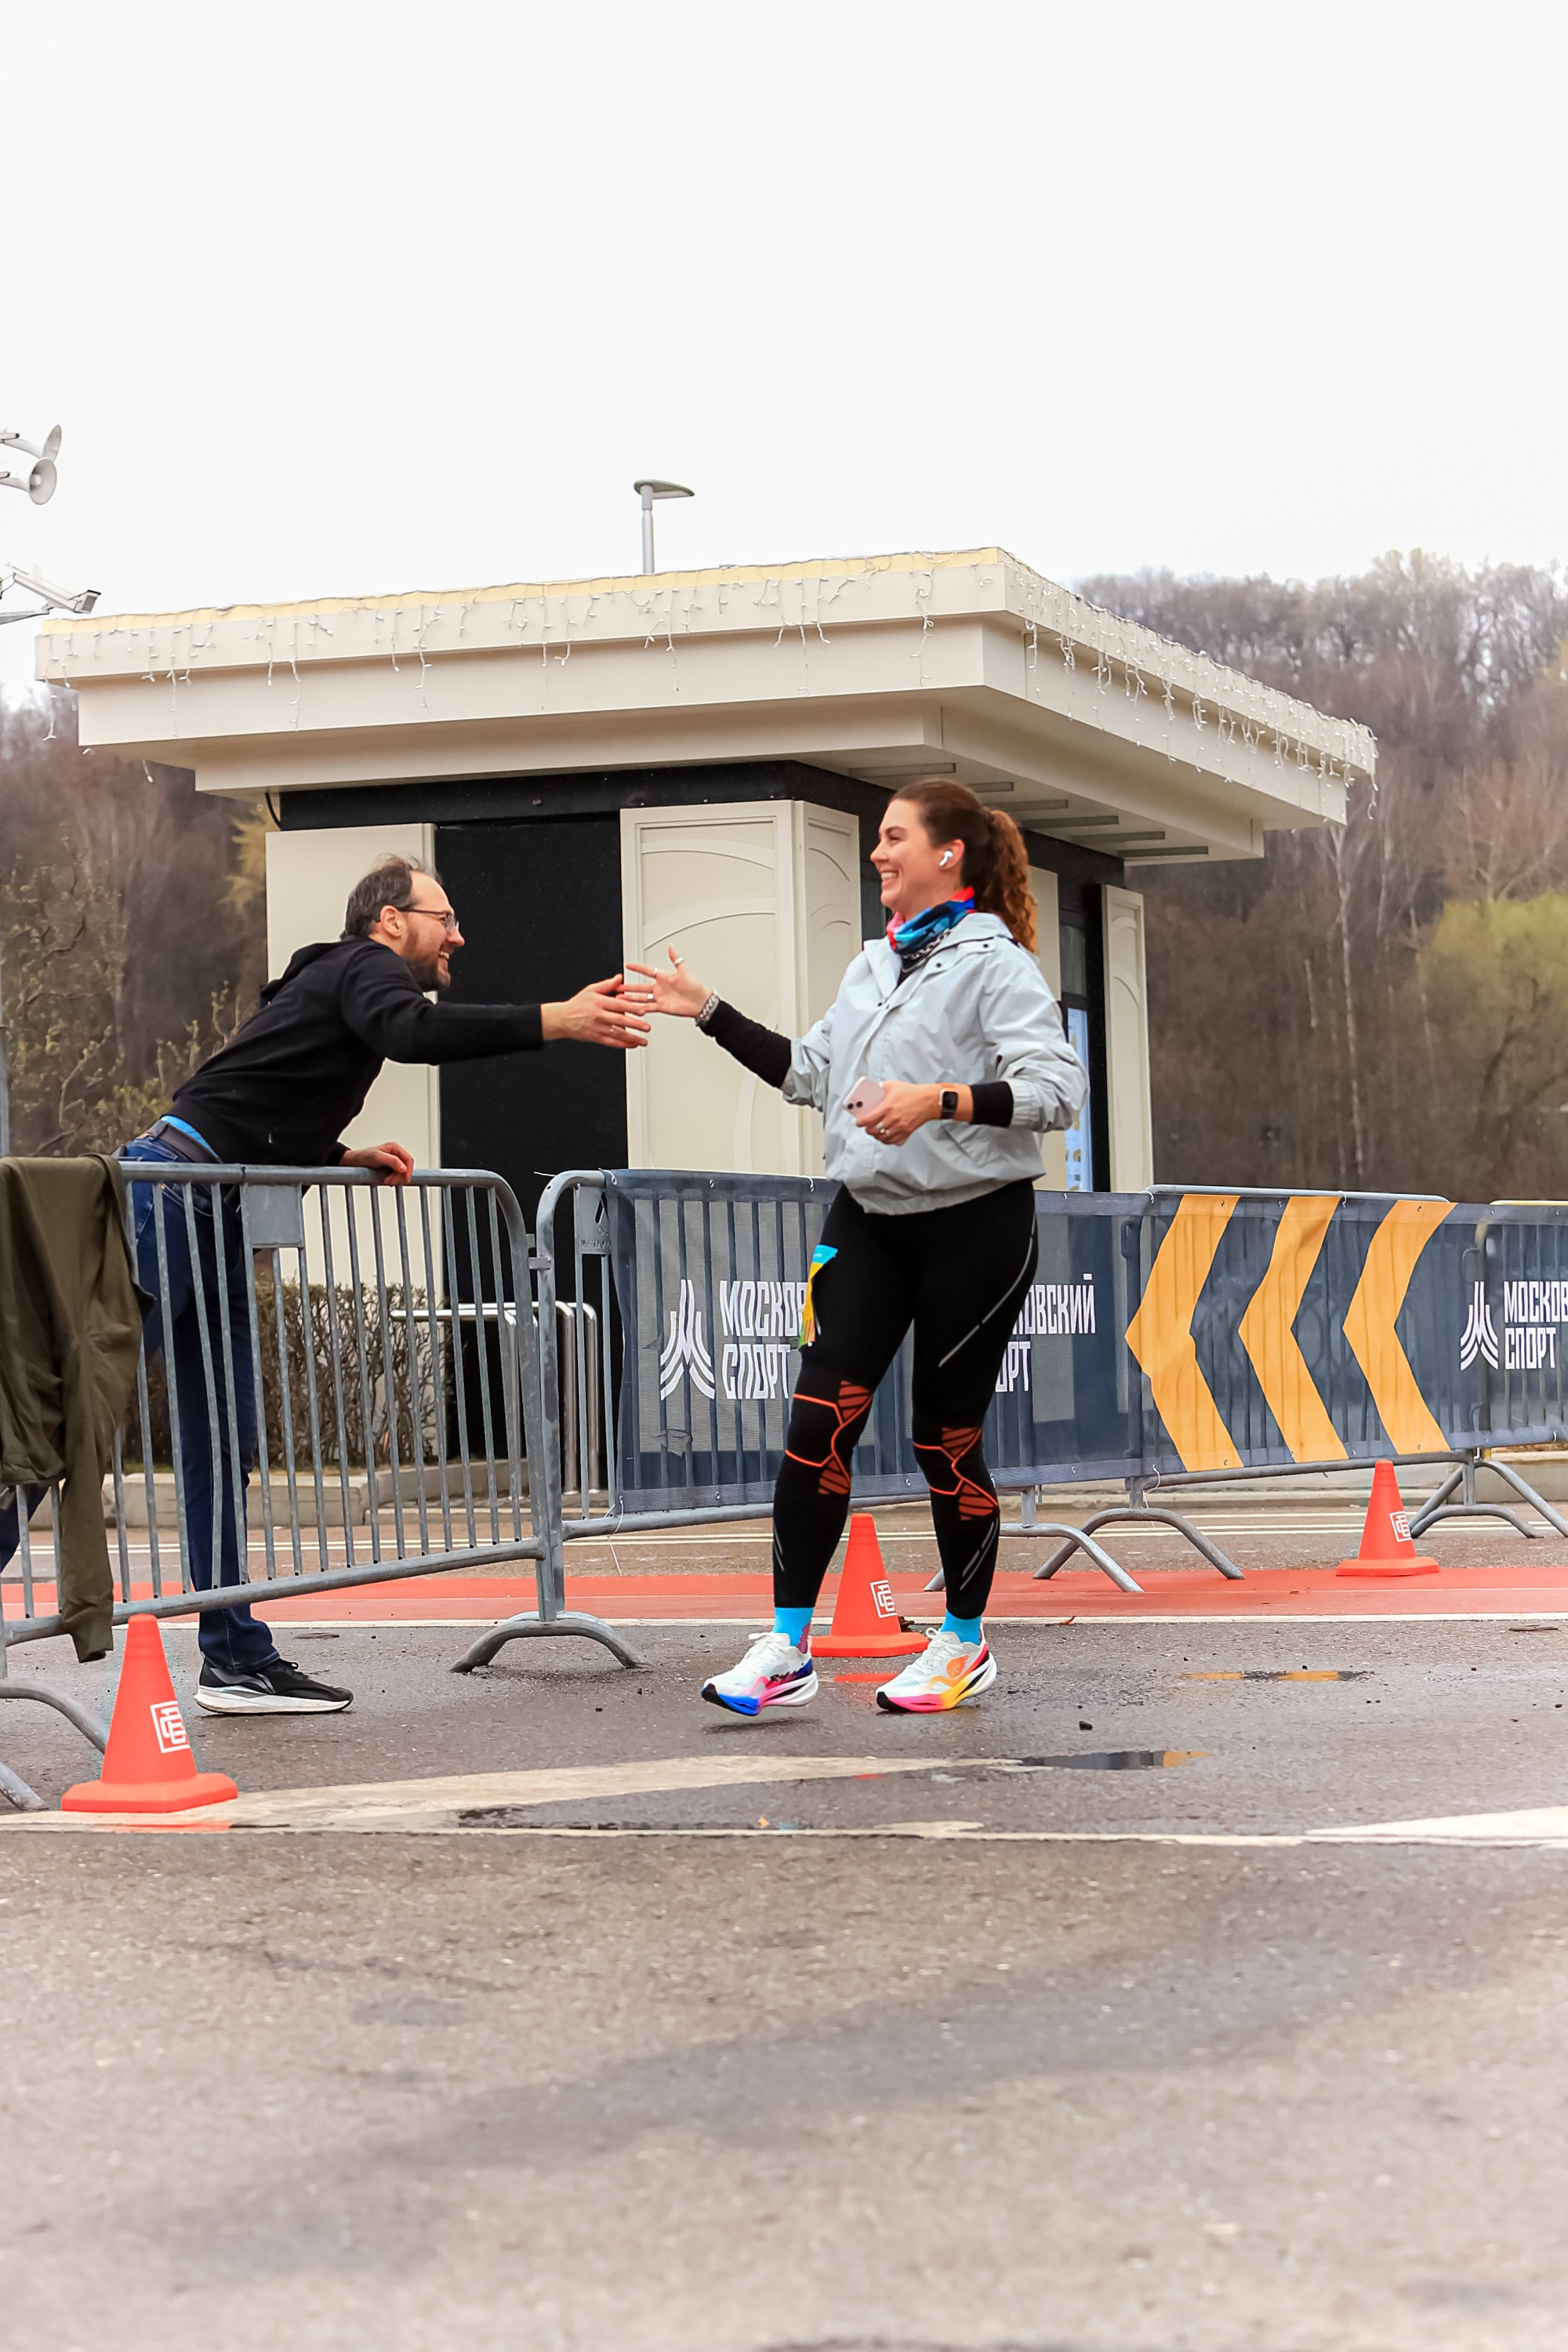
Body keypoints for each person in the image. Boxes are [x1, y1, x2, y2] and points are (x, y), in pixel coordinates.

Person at [116, 854, 650, 1718]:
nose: (459, 937)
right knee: (66, 1423)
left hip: (208, 1201)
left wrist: (335, 1153)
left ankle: (234, 1659)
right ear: (390, 921)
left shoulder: (330, 984)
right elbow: (412, 1033)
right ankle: (229, 1653)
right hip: (170, 1195)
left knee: (224, 1441)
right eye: (446, 919)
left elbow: (257, 1089)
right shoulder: (363, 965)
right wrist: (557, 1018)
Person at [633, 779, 1087, 1717]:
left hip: (975, 1227)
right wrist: (707, 1009)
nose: (877, 853)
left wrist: (937, 1100)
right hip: (868, 1221)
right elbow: (808, 1072)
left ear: (947, 854)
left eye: (892, 837)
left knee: (941, 1440)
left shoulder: (996, 964)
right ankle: (786, 1647)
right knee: (816, 1424)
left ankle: (961, 1643)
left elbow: (1056, 1092)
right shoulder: (871, 965)